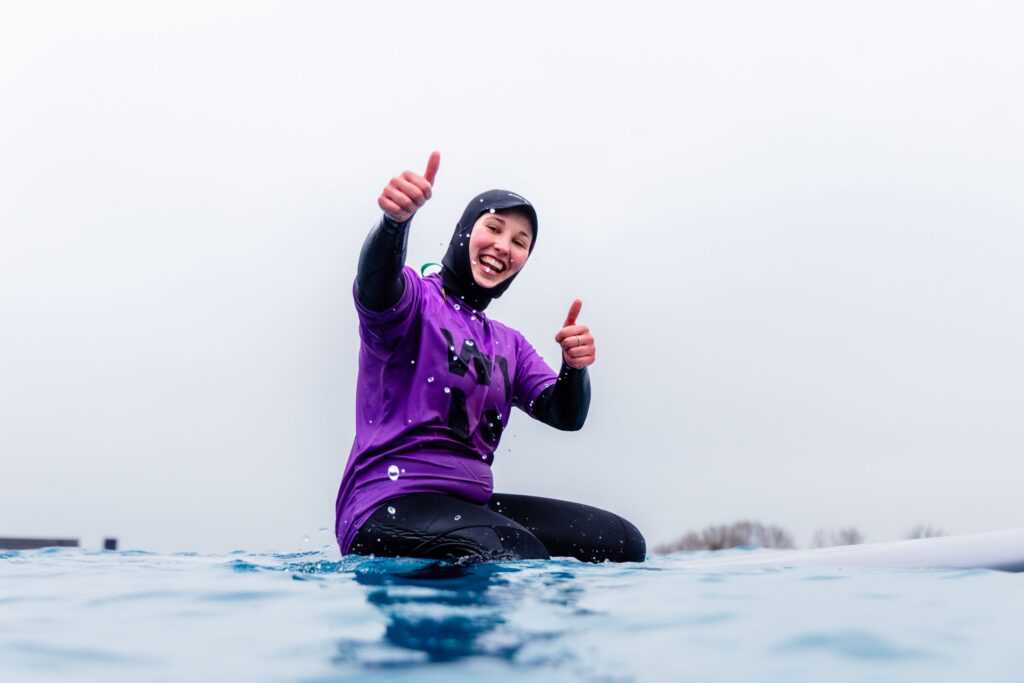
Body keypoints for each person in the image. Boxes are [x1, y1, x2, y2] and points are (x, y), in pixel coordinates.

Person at [334, 151, 646, 563]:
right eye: (494, 228)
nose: (504, 246)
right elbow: (376, 283)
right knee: (513, 548)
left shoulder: (509, 344)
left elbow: (565, 415)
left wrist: (575, 368)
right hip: (385, 504)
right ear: (465, 232)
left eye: (520, 242)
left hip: (467, 508)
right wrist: (395, 224)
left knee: (619, 542)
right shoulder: (414, 301)